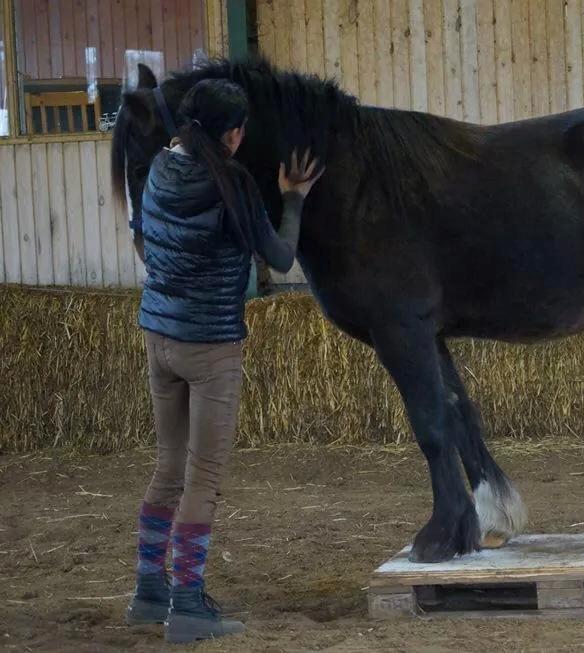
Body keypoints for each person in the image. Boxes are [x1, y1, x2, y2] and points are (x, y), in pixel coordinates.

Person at [124, 78, 321, 644]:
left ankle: (148, 591)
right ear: (233, 134)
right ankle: (187, 602)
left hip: (158, 336)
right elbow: (280, 257)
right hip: (209, 347)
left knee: (167, 466)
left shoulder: (160, 168)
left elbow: (143, 239)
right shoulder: (229, 183)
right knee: (202, 478)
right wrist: (292, 199)